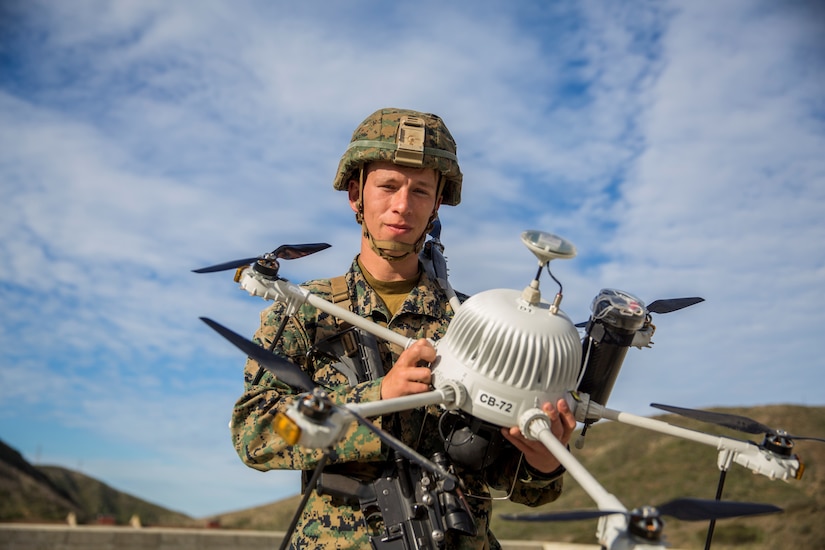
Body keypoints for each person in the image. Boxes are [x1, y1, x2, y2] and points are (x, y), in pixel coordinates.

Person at [230, 107, 577, 549]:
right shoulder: (304, 311)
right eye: (388, 186)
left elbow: (514, 479)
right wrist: (376, 398)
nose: (402, 205)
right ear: (356, 194)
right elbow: (256, 433)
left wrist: (544, 462)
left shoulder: (477, 325)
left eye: (420, 191)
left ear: (436, 205)